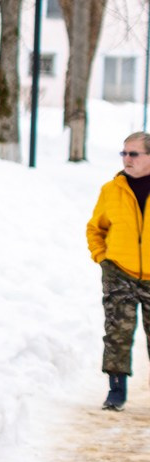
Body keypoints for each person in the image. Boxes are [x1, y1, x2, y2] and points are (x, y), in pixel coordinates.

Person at [85, 132, 150, 410]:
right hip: (119, 273)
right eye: (123, 153)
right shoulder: (111, 190)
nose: (127, 159)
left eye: (133, 154)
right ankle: (116, 392)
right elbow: (95, 228)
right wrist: (103, 259)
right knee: (117, 333)